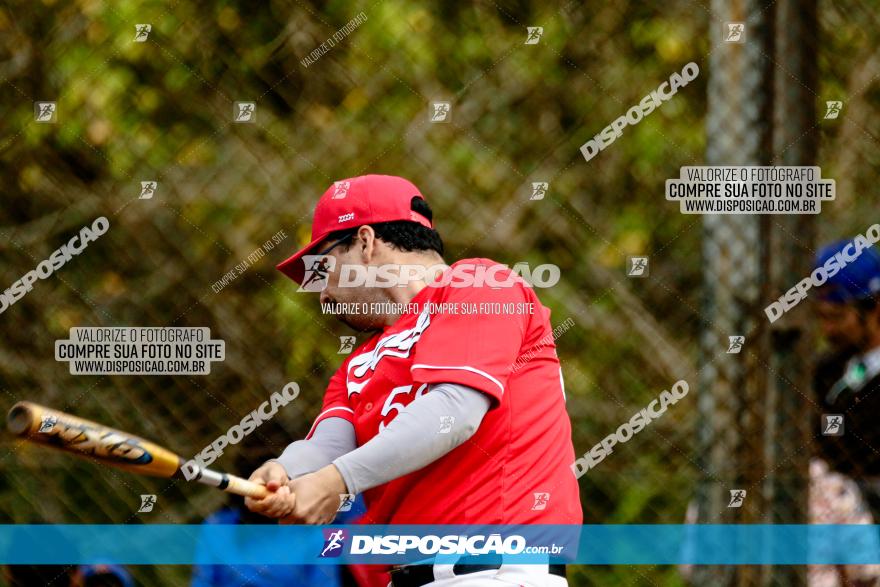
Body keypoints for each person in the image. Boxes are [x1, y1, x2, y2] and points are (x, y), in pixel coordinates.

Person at [245, 175, 582, 586]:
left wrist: (337, 482)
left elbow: (455, 411)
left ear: (365, 242)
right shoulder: (357, 364)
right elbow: (329, 446)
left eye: (320, 269)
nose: (321, 295)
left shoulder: (479, 285)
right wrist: (282, 472)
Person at [812, 238, 880, 516]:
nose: (827, 330)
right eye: (822, 317)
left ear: (874, 308)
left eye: (838, 317)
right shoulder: (827, 371)